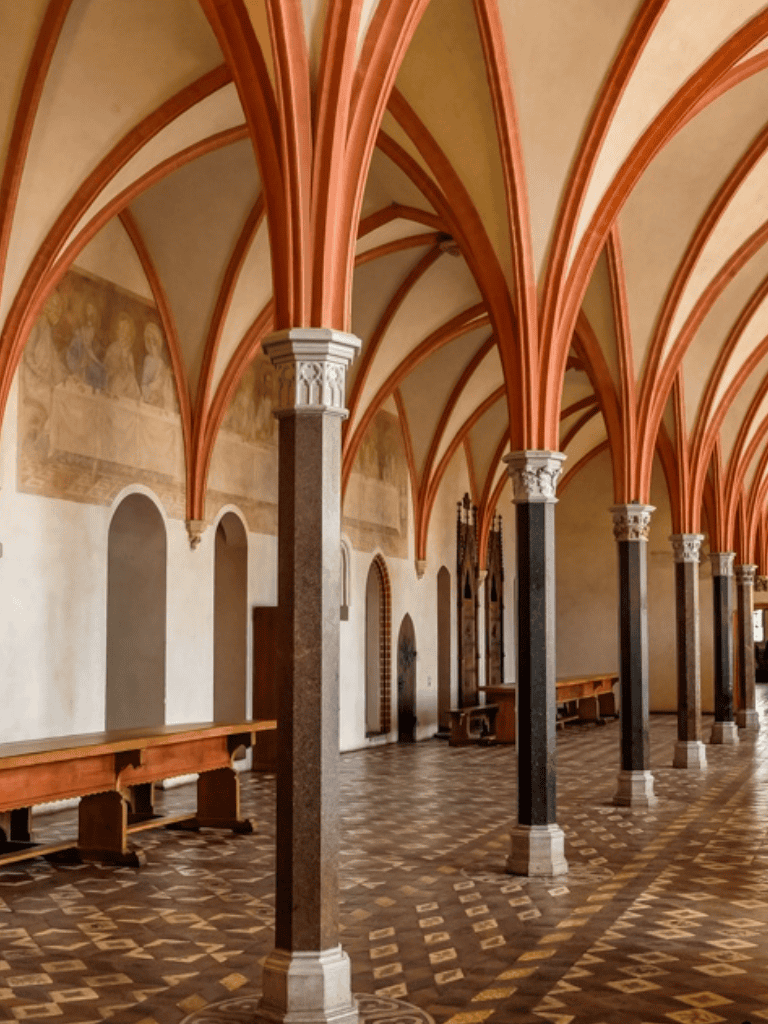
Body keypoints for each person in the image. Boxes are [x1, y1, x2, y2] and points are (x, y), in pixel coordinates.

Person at [66, 301, 106, 391]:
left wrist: (97, 363)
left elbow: (93, 353)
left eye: (92, 309)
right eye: (88, 309)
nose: (90, 312)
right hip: (78, 367)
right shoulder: (79, 335)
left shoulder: (97, 337)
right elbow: (72, 355)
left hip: (90, 370)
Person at [104, 312, 140, 400]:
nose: (123, 333)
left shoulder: (129, 353)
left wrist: (126, 357)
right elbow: (107, 367)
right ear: (117, 331)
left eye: (126, 330)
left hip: (126, 384)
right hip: (113, 381)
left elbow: (132, 373)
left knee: (131, 381)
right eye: (121, 329)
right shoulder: (113, 348)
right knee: (118, 380)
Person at [140, 321, 176, 410]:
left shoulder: (160, 363)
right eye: (149, 341)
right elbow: (144, 383)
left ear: (158, 342)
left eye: (154, 341)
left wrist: (164, 376)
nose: (152, 345)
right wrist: (148, 391)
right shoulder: (147, 360)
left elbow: (161, 383)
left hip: (158, 398)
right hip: (148, 395)